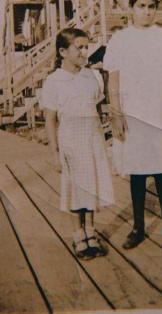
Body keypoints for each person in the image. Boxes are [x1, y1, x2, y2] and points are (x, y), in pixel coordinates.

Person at [103, 0, 162, 249]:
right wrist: (116, 115)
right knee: (138, 170)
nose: (146, 11)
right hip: (133, 114)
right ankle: (138, 227)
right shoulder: (119, 40)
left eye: (151, 6)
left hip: (159, 111)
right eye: (141, 6)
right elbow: (113, 82)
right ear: (131, 9)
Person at [41, 28, 114, 260]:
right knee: (74, 186)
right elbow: (50, 120)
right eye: (79, 48)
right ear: (63, 51)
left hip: (92, 137)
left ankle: (91, 231)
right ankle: (77, 233)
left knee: (91, 182)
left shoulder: (92, 77)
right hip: (70, 139)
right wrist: (55, 153)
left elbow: (99, 109)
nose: (85, 52)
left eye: (86, 47)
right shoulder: (54, 81)